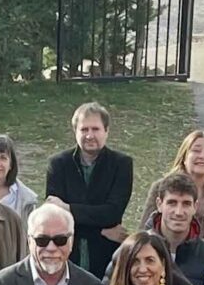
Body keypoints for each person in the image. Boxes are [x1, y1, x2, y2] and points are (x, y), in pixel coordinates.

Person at [47, 99, 137, 275]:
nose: (89, 135)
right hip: (67, 256)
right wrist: (101, 230)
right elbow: (56, 217)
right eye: (84, 129)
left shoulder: (121, 165)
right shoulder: (58, 164)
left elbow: (112, 213)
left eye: (95, 129)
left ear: (106, 131)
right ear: (75, 131)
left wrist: (68, 208)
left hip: (105, 257)